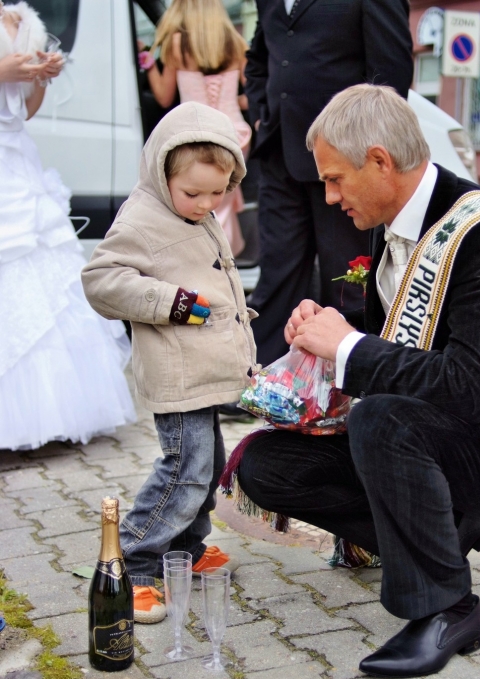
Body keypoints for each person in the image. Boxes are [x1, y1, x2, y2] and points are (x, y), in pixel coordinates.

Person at [237, 84, 480, 678]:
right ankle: (414, 543)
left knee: (377, 415)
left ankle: (448, 608)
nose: (328, 197)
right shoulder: (391, 218)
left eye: (335, 180)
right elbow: (400, 333)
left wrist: (350, 348)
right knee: (264, 465)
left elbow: (472, 386)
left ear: (380, 161)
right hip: (419, 443)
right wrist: (328, 328)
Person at [82, 101, 257, 623]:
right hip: (176, 373)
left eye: (218, 192)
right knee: (184, 469)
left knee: (207, 470)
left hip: (203, 370)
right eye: (193, 193)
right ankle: (133, 564)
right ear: (162, 173)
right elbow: (102, 281)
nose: (206, 203)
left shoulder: (194, 213)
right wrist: (170, 303)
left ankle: (187, 547)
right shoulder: (143, 215)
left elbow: (212, 277)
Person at [244, 0, 414, 366]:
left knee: (348, 279)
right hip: (278, 152)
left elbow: (391, 70)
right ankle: (266, 378)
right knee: (276, 271)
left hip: (345, 160)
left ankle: (349, 379)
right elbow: (259, 59)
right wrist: (260, 114)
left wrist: (364, 149)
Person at [0, 0, 136, 451]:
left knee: (45, 283)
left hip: (20, 163)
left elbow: (24, 111)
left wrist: (41, 78)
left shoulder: (25, 21)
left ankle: (47, 416)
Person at [138, 0, 251, 258]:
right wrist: (236, 100)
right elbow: (252, 92)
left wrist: (148, 62)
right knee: (220, 198)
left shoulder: (177, 44)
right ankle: (225, 256)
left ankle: (206, 258)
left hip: (194, 135)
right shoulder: (235, 42)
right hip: (234, 134)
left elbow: (164, 97)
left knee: (199, 200)